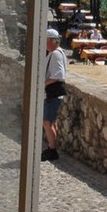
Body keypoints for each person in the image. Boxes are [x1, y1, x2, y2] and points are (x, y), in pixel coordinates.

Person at [42, 29, 67, 161]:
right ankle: (52, 148)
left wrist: (42, 83)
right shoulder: (57, 53)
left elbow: (58, 75)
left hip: (53, 92)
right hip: (54, 92)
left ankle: (52, 150)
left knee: (46, 122)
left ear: (52, 41)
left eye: (46, 41)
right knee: (50, 122)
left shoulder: (56, 54)